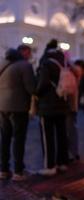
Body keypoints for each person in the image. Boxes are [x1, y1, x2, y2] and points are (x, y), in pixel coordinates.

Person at [0, 48, 35, 181]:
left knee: (5, 138)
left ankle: (3, 170)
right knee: (18, 139)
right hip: (18, 107)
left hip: (2, 107)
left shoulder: (2, 64)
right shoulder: (25, 66)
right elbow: (31, 88)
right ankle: (18, 172)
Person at [36, 40, 69, 176]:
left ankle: (49, 166)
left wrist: (36, 91)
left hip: (48, 104)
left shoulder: (46, 63)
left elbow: (43, 82)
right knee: (62, 134)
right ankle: (62, 163)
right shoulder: (63, 62)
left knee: (47, 136)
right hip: (62, 102)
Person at [67, 61, 82, 162]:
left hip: (69, 106)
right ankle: (73, 152)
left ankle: (72, 153)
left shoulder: (71, 74)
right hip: (72, 106)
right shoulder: (74, 74)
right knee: (71, 129)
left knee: (69, 130)